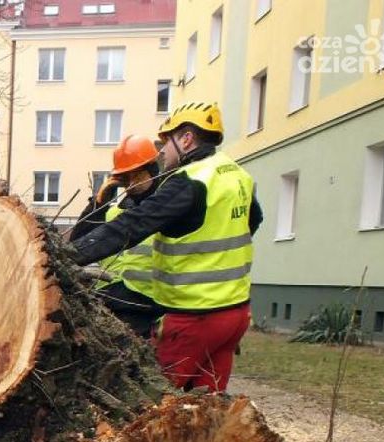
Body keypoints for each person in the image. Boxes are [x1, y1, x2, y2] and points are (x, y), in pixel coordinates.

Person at [70, 102, 263, 392]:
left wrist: (68, 257)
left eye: (166, 142)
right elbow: (253, 222)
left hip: (195, 315)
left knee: (155, 402)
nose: (162, 152)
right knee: (206, 406)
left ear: (186, 139)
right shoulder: (236, 175)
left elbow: (132, 225)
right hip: (235, 314)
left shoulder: (189, 181)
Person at [69, 134, 164, 338]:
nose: (131, 184)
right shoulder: (115, 213)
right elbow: (75, 244)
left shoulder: (165, 210)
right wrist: (98, 203)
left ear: (152, 172)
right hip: (111, 305)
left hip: (149, 309)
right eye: (126, 177)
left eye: (136, 176)